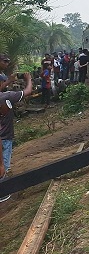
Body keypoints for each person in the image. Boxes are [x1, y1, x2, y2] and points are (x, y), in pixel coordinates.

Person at [0, 66, 32, 202]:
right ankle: (3, 194)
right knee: (3, 166)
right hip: (4, 137)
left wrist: (8, 81)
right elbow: (28, 91)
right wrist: (28, 79)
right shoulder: (7, 96)